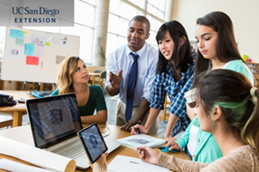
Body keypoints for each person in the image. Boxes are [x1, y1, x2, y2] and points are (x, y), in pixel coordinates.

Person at [91, 70, 259, 171]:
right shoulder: (243, 154)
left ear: (216, 112)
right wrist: (160, 159)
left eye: (197, 105)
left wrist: (99, 166)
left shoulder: (229, 164)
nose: (194, 111)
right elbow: (206, 168)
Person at [166, 11, 255, 163]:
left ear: (223, 37)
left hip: (216, 153)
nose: (200, 45)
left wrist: (194, 113)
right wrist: (182, 141)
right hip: (195, 150)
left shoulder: (237, 70)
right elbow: (198, 119)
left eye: (206, 38)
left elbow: (234, 120)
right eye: (197, 39)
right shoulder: (206, 69)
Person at [131, 21, 195, 141]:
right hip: (178, 127)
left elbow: (181, 100)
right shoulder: (164, 67)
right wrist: (146, 127)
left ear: (181, 41)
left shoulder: (196, 65)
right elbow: (157, 99)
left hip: (197, 126)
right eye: (160, 42)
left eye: (167, 41)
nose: (162, 46)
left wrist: (167, 134)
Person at [105, 15, 158, 134]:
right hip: (122, 106)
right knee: (120, 143)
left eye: (140, 32)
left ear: (147, 36)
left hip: (145, 108)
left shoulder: (155, 57)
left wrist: (137, 119)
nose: (134, 35)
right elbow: (110, 89)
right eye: (131, 30)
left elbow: (150, 93)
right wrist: (114, 87)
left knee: (145, 147)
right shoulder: (116, 55)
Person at [51, 56, 107, 124]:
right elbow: (44, 112)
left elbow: (102, 118)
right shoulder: (61, 92)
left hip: (86, 131)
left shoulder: (96, 90)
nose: (85, 71)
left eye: (84, 67)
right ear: (68, 75)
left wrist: (74, 119)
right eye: (77, 70)